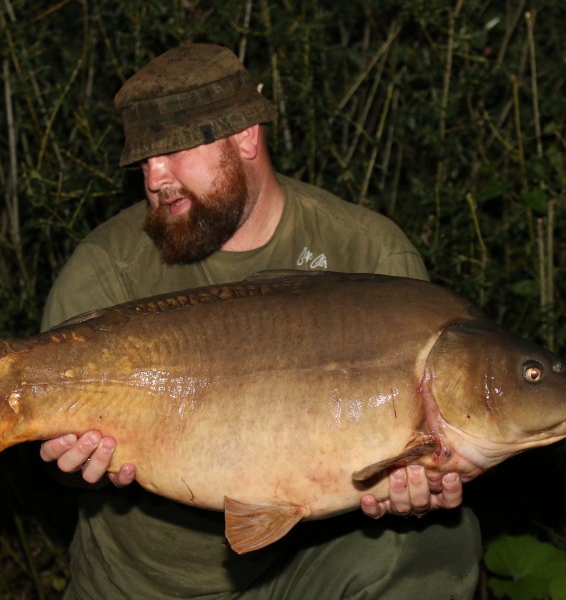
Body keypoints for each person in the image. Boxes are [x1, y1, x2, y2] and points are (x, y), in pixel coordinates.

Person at [39, 44, 481, 599]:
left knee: (439, 544)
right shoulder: (108, 266)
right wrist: (66, 463)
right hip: (140, 583)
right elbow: (52, 463)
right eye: (144, 162)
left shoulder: (366, 251)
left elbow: (420, 465)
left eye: (175, 151)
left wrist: (418, 492)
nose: (156, 178)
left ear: (246, 136)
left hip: (303, 567)